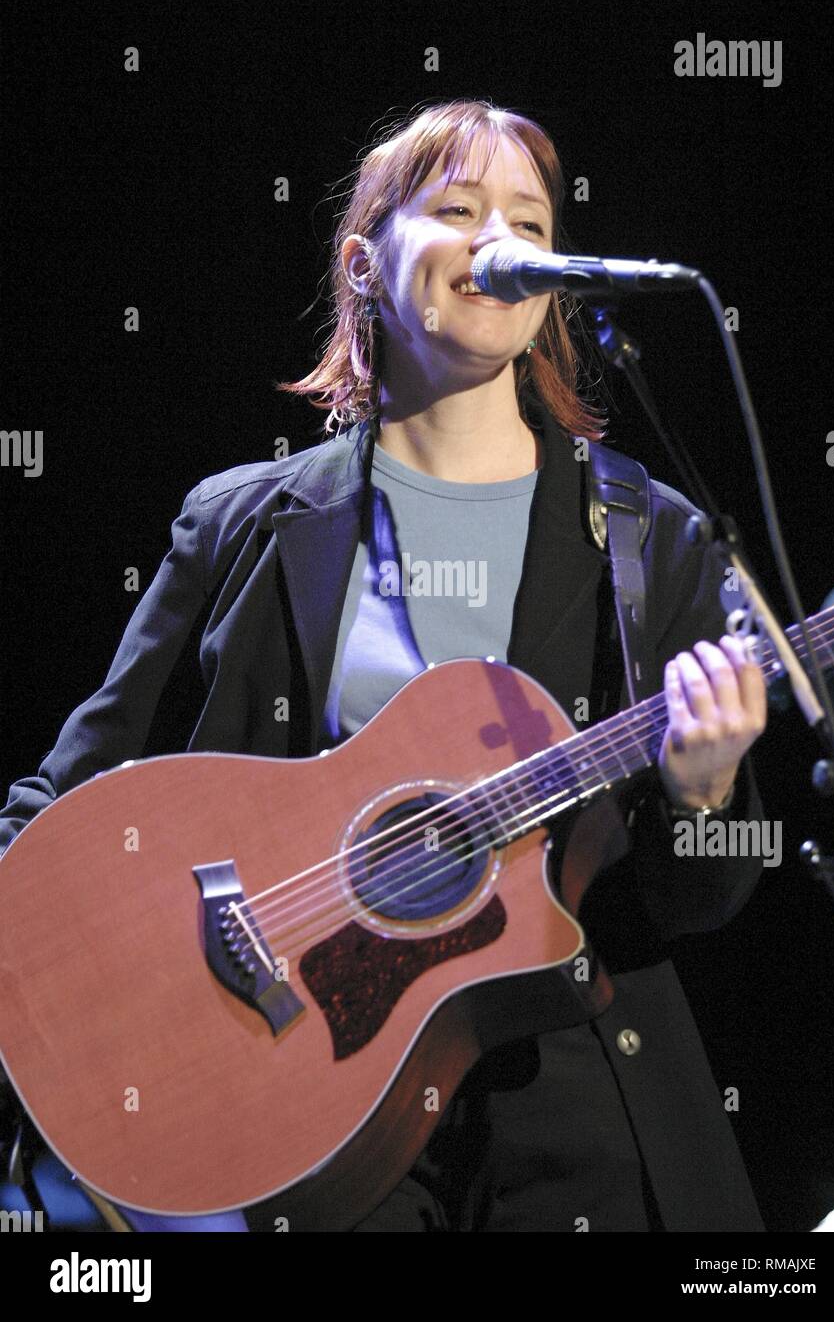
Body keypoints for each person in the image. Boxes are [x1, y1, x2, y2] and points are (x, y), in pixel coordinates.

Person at [0, 98, 769, 1232]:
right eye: (457, 210)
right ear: (365, 264)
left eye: (525, 218)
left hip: (576, 1107)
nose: (496, 241)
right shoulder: (245, 522)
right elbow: (61, 807)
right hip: (308, 1121)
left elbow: (694, 901)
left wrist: (704, 793)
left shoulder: (651, 536)